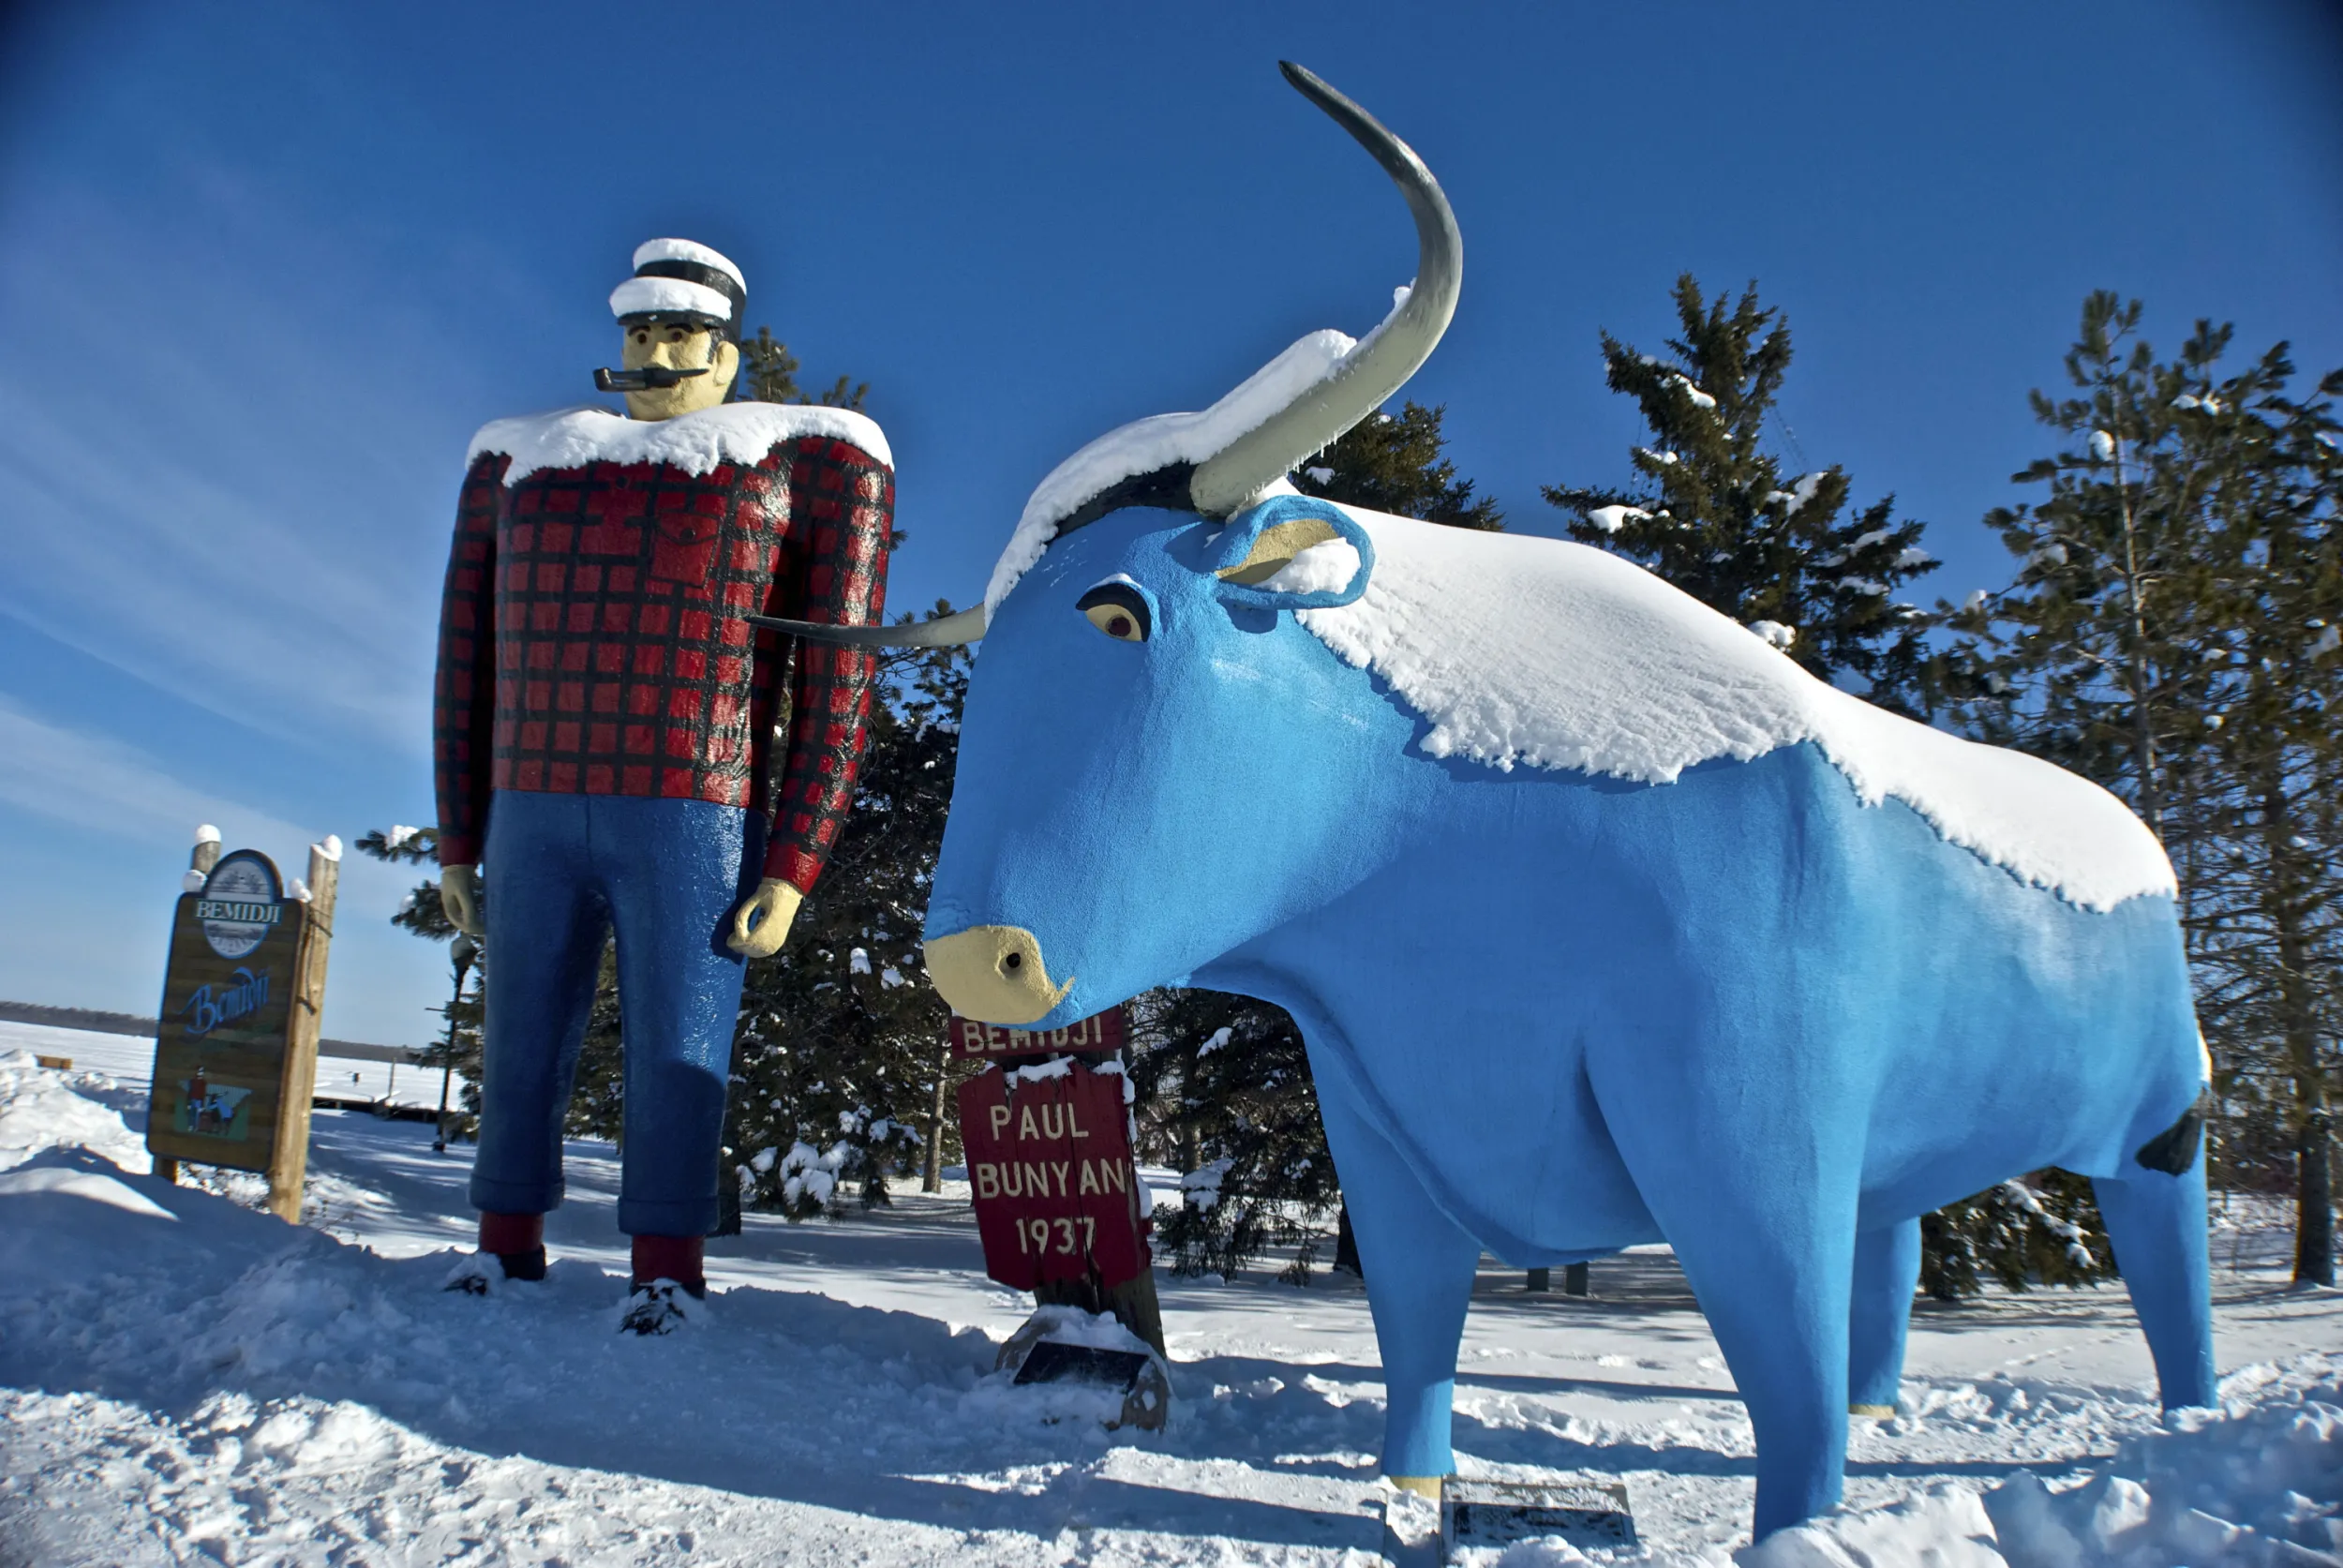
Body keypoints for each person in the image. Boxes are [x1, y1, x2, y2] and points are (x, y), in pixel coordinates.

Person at [432, 238, 893, 1331]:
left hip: (695, 800)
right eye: (640, 332)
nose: (657, 351)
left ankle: (667, 1264)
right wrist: (458, 837)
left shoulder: (808, 460)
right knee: (517, 1034)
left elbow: (838, 677)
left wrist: (792, 861)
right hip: (531, 797)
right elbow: (465, 659)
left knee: (682, 1039)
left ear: (727, 354)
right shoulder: (516, 462)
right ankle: (504, 1238)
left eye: (683, 334)